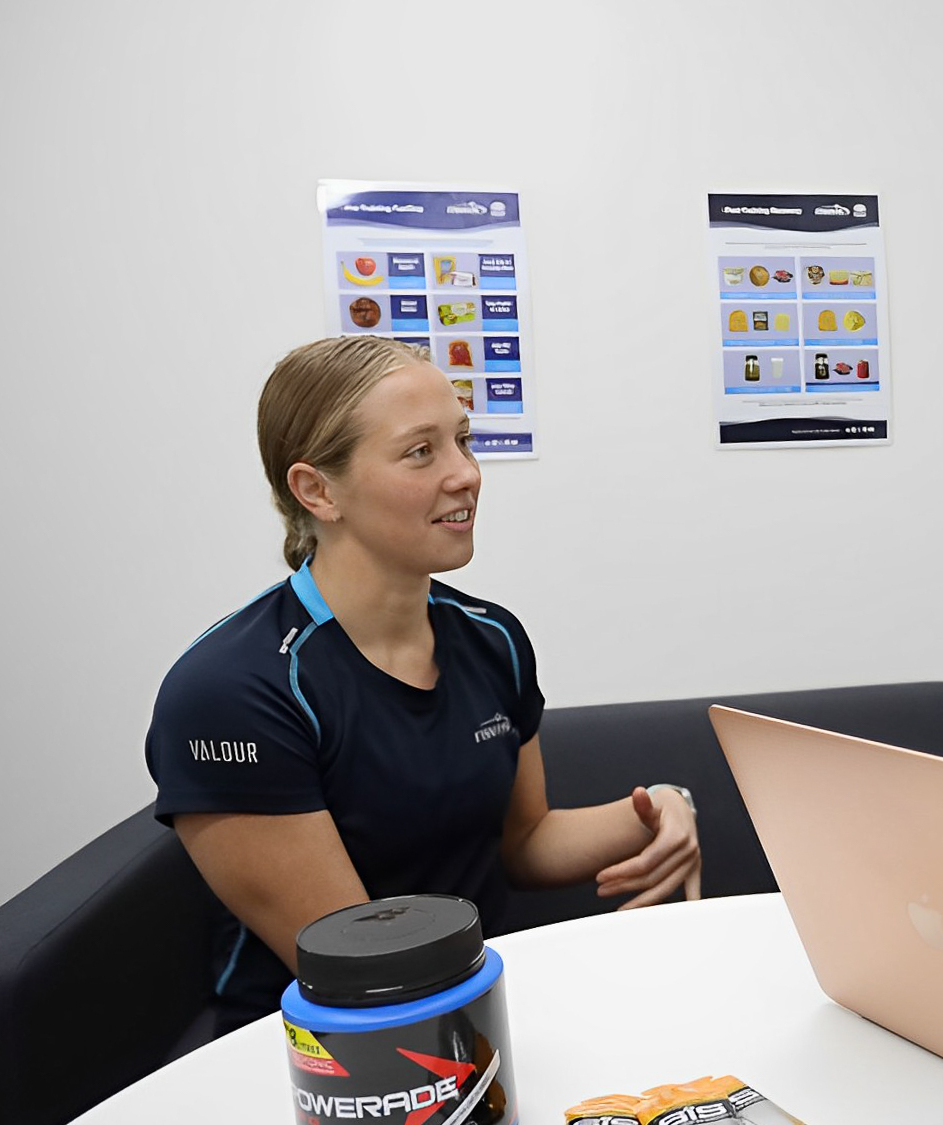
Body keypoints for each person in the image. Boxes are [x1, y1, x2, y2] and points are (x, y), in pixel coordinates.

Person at [147, 336, 700, 1028]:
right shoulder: (233, 691)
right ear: (317, 490)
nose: (465, 474)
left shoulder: (492, 637)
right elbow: (357, 966)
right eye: (420, 452)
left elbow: (524, 842)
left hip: (474, 1002)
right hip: (310, 1045)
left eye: (463, 441)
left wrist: (664, 808)